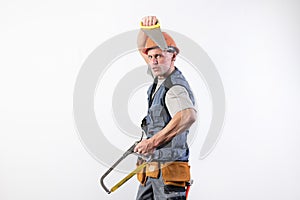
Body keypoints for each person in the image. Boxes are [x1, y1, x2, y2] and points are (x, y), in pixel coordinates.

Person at [134, 16, 197, 200]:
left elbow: (188, 116)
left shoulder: (174, 87)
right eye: (151, 57)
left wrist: (151, 142)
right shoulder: (160, 74)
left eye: (159, 56)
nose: (153, 61)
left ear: (173, 56)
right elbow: (142, 48)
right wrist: (147, 29)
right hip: (153, 167)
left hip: (169, 170)